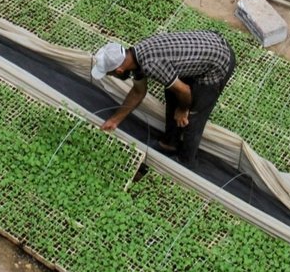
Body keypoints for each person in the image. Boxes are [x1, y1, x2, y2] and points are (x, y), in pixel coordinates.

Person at [91, 30, 236, 168]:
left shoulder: (151, 64)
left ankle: (186, 161)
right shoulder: (135, 56)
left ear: (119, 70)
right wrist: (115, 120)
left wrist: (183, 109)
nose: (111, 76)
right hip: (200, 52)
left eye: (110, 74)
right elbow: (138, 92)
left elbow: (185, 90)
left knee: (193, 114)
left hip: (219, 60)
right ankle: (170, 143)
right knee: (171, 93)